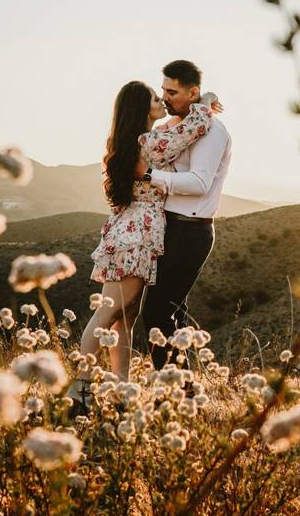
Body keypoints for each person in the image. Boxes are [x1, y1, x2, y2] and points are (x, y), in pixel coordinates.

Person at [66, 77, 221, 411]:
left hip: (129, 232)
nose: (161, 102)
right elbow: (189, 131)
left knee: (124, 317)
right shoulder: (149, 143)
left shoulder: (133, 141)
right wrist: (204, 102)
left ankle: (121, 392)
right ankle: (79, 392)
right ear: (141, 108)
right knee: (107, 316)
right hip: (136, 237)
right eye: (154, 98)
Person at [141, 60, 232, 370]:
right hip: (171, 227)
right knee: (172, 313)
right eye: (163, 90)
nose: (165, 98)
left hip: (191, 231)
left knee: (156, 314)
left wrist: (148, 175)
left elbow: (199, 183)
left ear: (193, 92)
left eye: (173, 92)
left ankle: (173, 387)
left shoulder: (212, 132)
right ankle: (183, 388)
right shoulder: (187, 123)